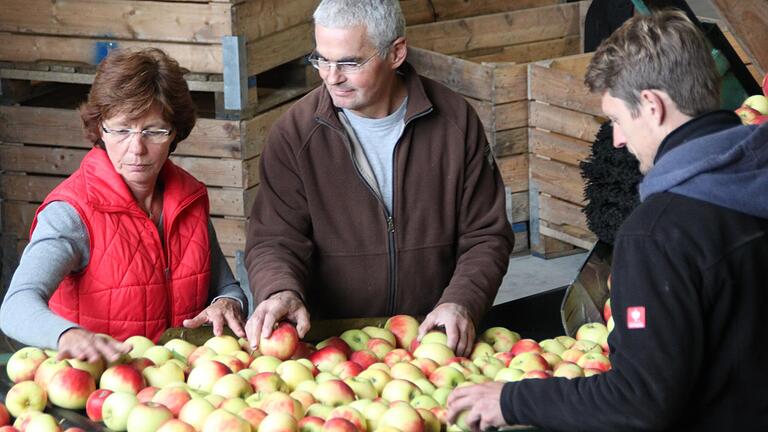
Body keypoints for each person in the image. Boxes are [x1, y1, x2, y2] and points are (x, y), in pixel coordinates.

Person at [447, 10, 768, 431]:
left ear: (651, 106)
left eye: (617, 119)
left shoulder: (656, 234)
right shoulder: (752, 179)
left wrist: (512, 399)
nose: (616, 139)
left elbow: (639, 402)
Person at [244, 0, 514, 357]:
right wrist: (280, 290)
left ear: (396, 53)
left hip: (434, 338)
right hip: (331, 348)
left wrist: (462, 301)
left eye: (349, 62)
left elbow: (486, 234)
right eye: (322, 59)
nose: (331, 76)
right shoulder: (295, 134)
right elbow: (274, 239)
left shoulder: (455, 123)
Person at [0, 48, 248, 363]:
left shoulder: (188, 199)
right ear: (99, 130)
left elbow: (226, 286)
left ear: (174, 133)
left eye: (153, 131)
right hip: (98, 390)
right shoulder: (72, 212)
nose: (137, 149)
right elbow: (16, 305)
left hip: (182, 389)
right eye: (121, 130)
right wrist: (68, 335)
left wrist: (228, 302)